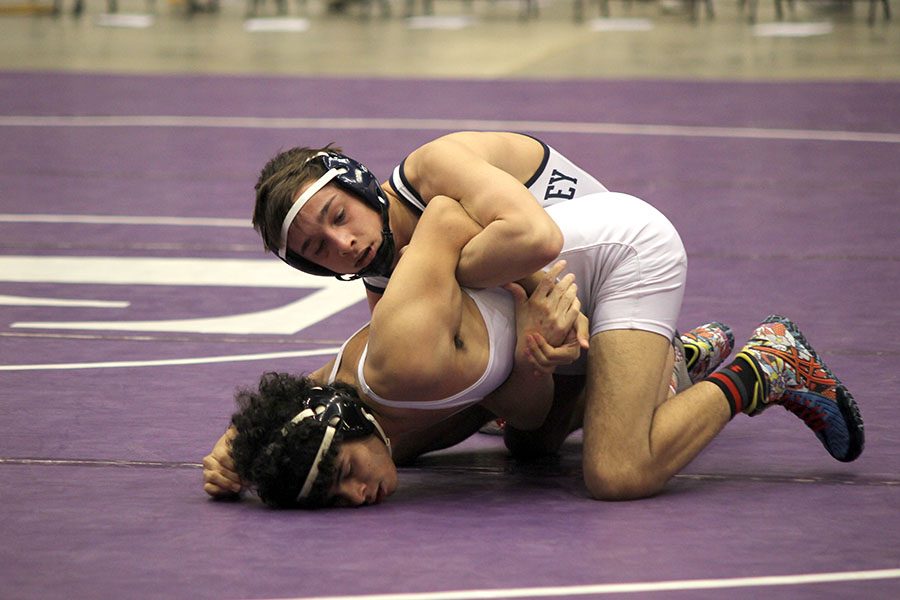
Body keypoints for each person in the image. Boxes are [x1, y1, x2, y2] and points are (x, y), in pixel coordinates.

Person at [205, 192, 863, 506]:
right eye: (332, 494)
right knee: (528, 446)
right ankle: (670, 358)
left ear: (342, 427)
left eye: (340, 473)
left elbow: (443, 215)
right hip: (555, 319)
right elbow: (522, 411)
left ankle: (767, 365)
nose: (353, 495)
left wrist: (530, 290)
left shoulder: (402, 355)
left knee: (617, 474)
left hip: (614, 257)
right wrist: (240, 445)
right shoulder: (357, 404)